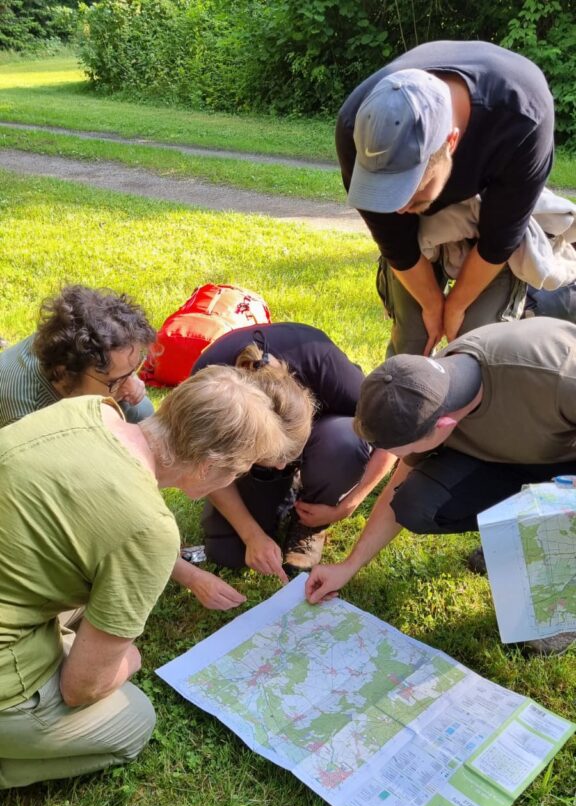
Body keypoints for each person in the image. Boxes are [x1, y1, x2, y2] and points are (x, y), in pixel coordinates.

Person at [0, 367, 293, 788]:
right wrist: (130, 659)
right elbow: (80, 688)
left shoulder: (90, 409)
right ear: (207, 467)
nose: (234, 480)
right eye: (238, 471)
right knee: (134, 722)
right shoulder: (150, 528)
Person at [305, 317, 576, 648]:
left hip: (565, 459)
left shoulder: (560, 375)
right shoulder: (420, 392)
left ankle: (557, 573)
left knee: (561, 524)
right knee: (415, 504)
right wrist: (349, 566)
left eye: (405, 450)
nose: (399, 458)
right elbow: (397, 488)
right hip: (512, 456)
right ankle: (514, 534)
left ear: (444, 425)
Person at [336, 41, 554, 356]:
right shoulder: (356, 128)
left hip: (489, 216)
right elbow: (395, 241)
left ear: (451, 142)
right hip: (423, 232)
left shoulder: (523, 118)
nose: (398, 208)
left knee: (475, 343)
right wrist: (431, 305)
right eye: (385, 191)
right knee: (413, 338)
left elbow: (498, 241)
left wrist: (456, 306)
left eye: (410, 190)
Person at [192, 322, 396, 579]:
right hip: (242, 443)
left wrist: (348, 504)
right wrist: (251, 534)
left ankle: (311, 519)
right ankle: (277, 486)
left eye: (287, 456)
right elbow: (204, 465)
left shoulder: (323, 361)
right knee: (228, 554)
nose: (281, 465)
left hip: (328, 436)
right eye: (274, 456)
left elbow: (394, 436)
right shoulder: (207, 386)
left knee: (344, 440)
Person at [0, 284, 156, 426]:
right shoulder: (26, 417)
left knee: (141, 411)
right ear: (66, 374)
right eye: (115, 381)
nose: (130, 385)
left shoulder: (70, 340)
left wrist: (126, 376)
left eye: (133, 369)